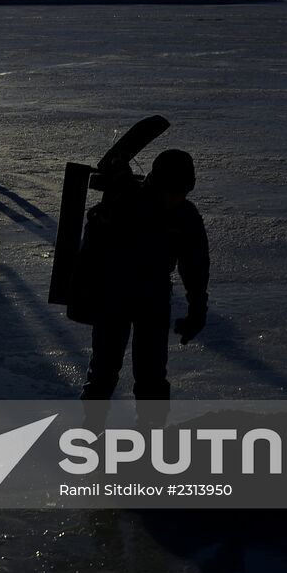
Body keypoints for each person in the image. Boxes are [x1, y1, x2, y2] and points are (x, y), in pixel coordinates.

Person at [79, 148, 209, 405]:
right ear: (156, 183)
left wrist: (197, 309)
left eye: (182, 192)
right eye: (171, 191)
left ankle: (151, 437)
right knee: (103, 373)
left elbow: (195, 264)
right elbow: (91, 247)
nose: (176, 198)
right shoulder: (124, 200)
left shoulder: (186, 215)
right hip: (113, 296)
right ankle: (90, 434)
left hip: (154, 299)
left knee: (152, 378)